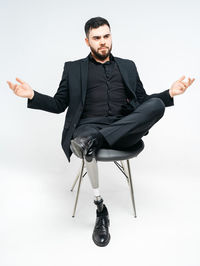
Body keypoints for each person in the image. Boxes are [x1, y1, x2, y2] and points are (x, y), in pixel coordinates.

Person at [7, 17, 195, 247]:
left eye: (106, 36)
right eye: (97, 38)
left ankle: (91, 142)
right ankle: (100, 209)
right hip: (88, 126)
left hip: (122, 128)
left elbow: (144, 101)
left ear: (111, 36)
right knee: (87, 138)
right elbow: (58, 104)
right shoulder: (73, 68)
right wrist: (32, 95)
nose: (103, 42)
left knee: (156, 105)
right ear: (87, 41)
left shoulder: (128, 66)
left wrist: (169, 93)